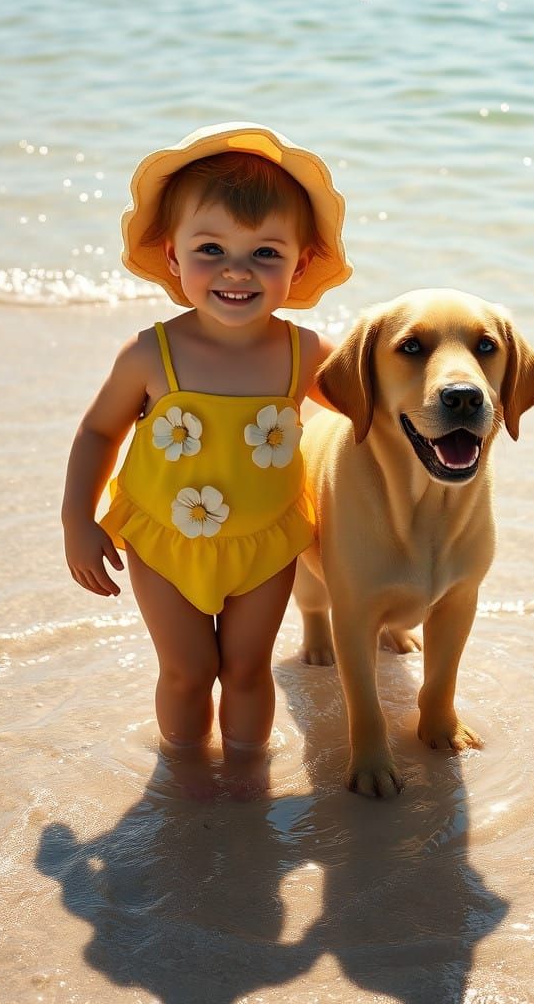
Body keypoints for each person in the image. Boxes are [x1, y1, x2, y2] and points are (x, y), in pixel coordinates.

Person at [62, 123, 351, 797]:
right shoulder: (150, 353)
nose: (236, 271)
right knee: (188, 671)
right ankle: (183, 771)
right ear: (173, 255)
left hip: (266, 538)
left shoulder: (304, 353)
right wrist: (78, 518)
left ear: (300, 264)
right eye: (211, 248)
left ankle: (248, 774)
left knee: (248, 670)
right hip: (163, 535)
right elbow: (97, 433)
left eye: (265, 253)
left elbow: (371, 411)